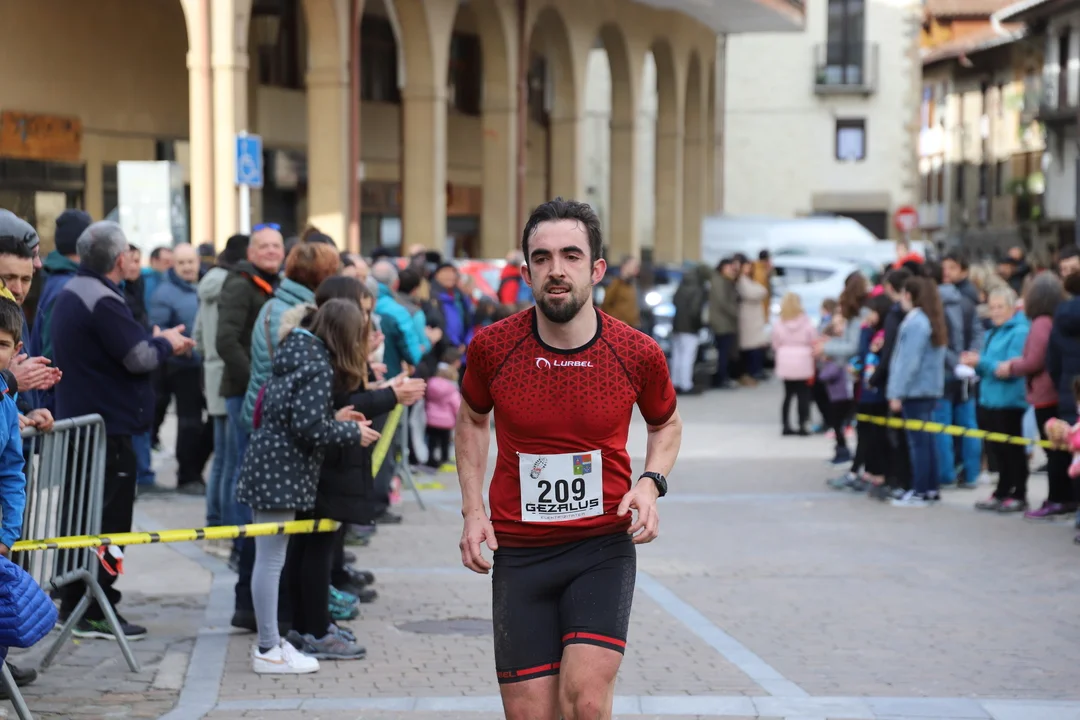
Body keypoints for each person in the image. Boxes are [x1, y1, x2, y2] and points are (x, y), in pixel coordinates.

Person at [454, 198, 682, 720]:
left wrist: (649, 483)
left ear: (596, 269)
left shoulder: (636, 351)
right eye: (542, 258)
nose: (556, 269)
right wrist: (472, 509)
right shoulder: (493, 347)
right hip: (520, 552)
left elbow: (666, 424)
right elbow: (471, 420)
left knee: (585, 700)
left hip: (601, 547)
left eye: (571, 256)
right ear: (526, 272)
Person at [51, 221, 195, 639]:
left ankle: (77, 602)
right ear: (119, 259)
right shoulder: (102, 298)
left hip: (88, 427)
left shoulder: (76, 290)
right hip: (105, 432)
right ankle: (95, 606)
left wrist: (155, 340)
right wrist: (167, 343)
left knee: (82, 518)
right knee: (108, 523)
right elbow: (138, 357)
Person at [236, 299, 376, 674]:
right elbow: (308, 427)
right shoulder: (316, 365)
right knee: (270, 562)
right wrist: (351, 432)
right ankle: (268, 648)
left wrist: (335, 418)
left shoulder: (297, 352)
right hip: (280, 473)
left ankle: (272, 643)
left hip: (271, 467)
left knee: (270, 560)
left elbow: (297, 415)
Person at [1003, 272, 1074, 519]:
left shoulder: (1041, 323)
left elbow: (1035, 360)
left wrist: (1012, 366)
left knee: (1053, 451)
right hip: (1057, 392)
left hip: (1046, 394)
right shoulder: (1056, 319)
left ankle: (1057, 497)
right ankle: (1066, 496)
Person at [961, 286, 1031, 513]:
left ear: (1011, 308)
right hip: (989, 399)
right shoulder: (991, 333)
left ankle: (1018, 493)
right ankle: (1002, 490)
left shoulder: (1020, 331)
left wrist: (980, 362)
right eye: (992, 307)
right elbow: (989, 366)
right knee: (997, 451)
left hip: (1009, 401)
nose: (996, 312)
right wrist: (974, 363)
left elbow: (1009, 368)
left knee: (1013, 451)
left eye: (1000, 307)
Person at [886, 276, 947, 507]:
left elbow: (907, 362)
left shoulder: (915, 323)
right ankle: (930, 488)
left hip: (915, 390)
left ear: (908, 295)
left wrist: (896, 392)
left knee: (918, 444)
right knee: (927, 442)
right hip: (928, 389)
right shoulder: (930, 320)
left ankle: (920, 490)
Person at [770, 292, 816, 436]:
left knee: (788, 395)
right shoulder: (806, 321)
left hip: (785, 359)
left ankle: (785, 425)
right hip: (803, 359)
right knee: (803, 395)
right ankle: (802, 425)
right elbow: (813, 339)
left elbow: (775, 343)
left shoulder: (779, 323)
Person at [670, 265, 710, 395]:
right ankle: (686, 384)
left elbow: (674, 301)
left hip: (677, 325)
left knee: (677, 356)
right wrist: (699, 326)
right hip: (690, 327)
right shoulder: (698, 288)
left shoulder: (681, 285)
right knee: (688, 356)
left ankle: (675, 383)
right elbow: (695, 310)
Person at [425, 348, 462, 469]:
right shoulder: (451, 389)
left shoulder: (431, 384)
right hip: (446, 421)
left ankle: (430, 459)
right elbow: (456, 404)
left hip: (431, 418)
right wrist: (459, 416)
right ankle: (444, 459)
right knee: (444, 442)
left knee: (432, 441)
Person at [708, 258, 739, 389]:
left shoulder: (726, 281)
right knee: (723, 352)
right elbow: (723, 302)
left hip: (726, 322)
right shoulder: (719, 281)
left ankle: (723, 376)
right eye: (729, 267)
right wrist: (736, 313)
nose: (731, 270)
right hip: (722, 322)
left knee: (725, 351)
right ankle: (721, 378)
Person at [600, 256, 641, 328]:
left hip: (632, 327)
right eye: (634, 266)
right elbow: (606, 304)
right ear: (625, 266)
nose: (637, 269)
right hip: (619, 328)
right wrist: (616, 322)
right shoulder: (615, 284)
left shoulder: (631, 285)